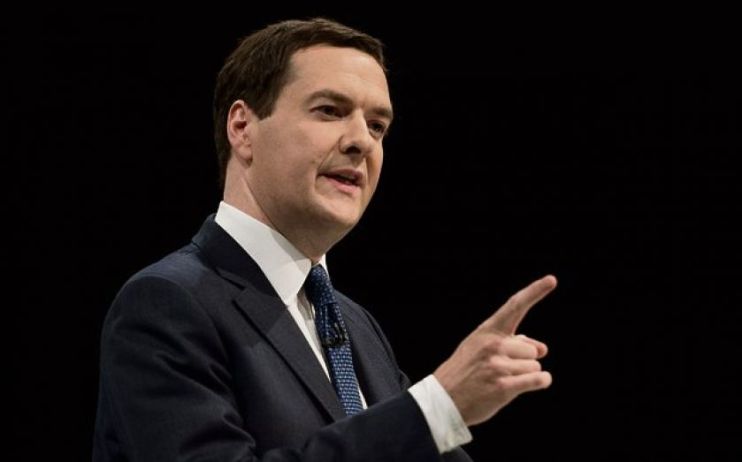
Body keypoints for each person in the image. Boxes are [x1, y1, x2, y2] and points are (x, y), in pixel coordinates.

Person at [93, 17, 557, 462]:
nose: (362, 142)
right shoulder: (167, 303)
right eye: (330, 111)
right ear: (243, 128)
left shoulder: (356, 326)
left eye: (377, 126)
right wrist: (436, 408)